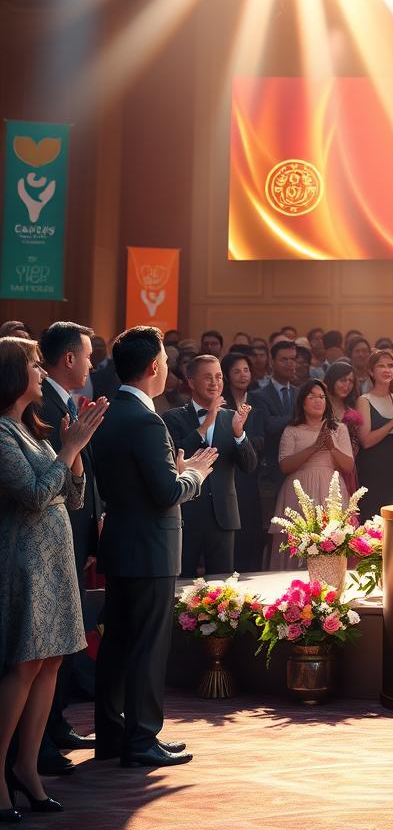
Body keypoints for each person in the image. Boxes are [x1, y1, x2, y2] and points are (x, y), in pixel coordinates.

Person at [89, 326, 217, 769]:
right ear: (153, 368)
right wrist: (195, 474)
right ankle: (141, 738)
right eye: (164, 360)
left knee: (119, 642)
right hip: (151, 550)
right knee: (147, 645)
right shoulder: (146, 419)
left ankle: (111, 734)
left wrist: (174, 471)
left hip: (122, 544)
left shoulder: (107, 412)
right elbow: (165, 492)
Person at [0, 337, 107, 818]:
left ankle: (27, 767)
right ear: (11, 374)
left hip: (56, 556)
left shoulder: (33, 429)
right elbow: (35, 495)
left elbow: (75, 495)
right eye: (33, 366)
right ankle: (0, 774)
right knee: (25, 664)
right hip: (25, 558)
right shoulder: (1, 434)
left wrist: (75, 451)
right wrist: (68, 449)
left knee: (51, 662)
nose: (41, 373)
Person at [36, 322, 104, 772]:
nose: (92, 363)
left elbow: (83, 470)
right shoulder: (41, 406)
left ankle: (55, 722)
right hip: (46, 533)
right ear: (68, 359)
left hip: (75, 526)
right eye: (87, 355)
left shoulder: (69, 402)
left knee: (66, 631)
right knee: (49, 638)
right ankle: (38, 742)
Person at [163, 355, 257, 577]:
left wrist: (239, 434)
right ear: (191, 381)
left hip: (223, 516)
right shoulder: (173, 418)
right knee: (181, 581)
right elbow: (176, 458)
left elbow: (250, 465)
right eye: (207, 377)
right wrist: (206, 423)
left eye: (218, 377)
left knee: (223, 588)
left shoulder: (232, 418)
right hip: (187, 514)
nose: (215, 383)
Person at [268, 379, 354, 570]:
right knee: (296, 541)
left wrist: (332, 448)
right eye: (312, 396)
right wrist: (314, 447)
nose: (318, 401)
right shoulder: (292, 430)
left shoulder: (338, 429)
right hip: (298, 491)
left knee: (332, 539)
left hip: (331, 490)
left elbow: (348, 466)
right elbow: (285, 465)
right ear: (302, 402)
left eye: (322, 397)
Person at [221, 351, 265, 573]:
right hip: (230, 470)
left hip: (252, 471)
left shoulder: (258, 400)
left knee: (252, 525)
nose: (242, 375)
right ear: (227, 376)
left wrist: (243, 438)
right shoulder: (221, 402)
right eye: (236, 371)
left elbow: (261, 439)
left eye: (246, 370)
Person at [356, 351, 393, 517]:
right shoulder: (364, 400)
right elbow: (366, 440)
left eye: (390, 366)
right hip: (374, 468)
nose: (387, 369)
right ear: (371, 371)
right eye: (381, 366)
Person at [251, 340, 298, 542]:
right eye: (284, 359)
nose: (290, 364)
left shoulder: (299, 393)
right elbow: (268, 426)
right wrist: (297, 417)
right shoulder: (258, 395)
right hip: (271, 470)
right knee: (271, 530)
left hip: (298, 468)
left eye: (293, 360)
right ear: (272, 362)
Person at [324, 361, 362, 499]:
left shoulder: (351, 410)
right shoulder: (320, 406)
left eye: (351, 381)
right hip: (324, 466)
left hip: (347, 467)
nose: (347, 385)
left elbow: (357, 444)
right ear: (332, 379)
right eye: (342, 380)